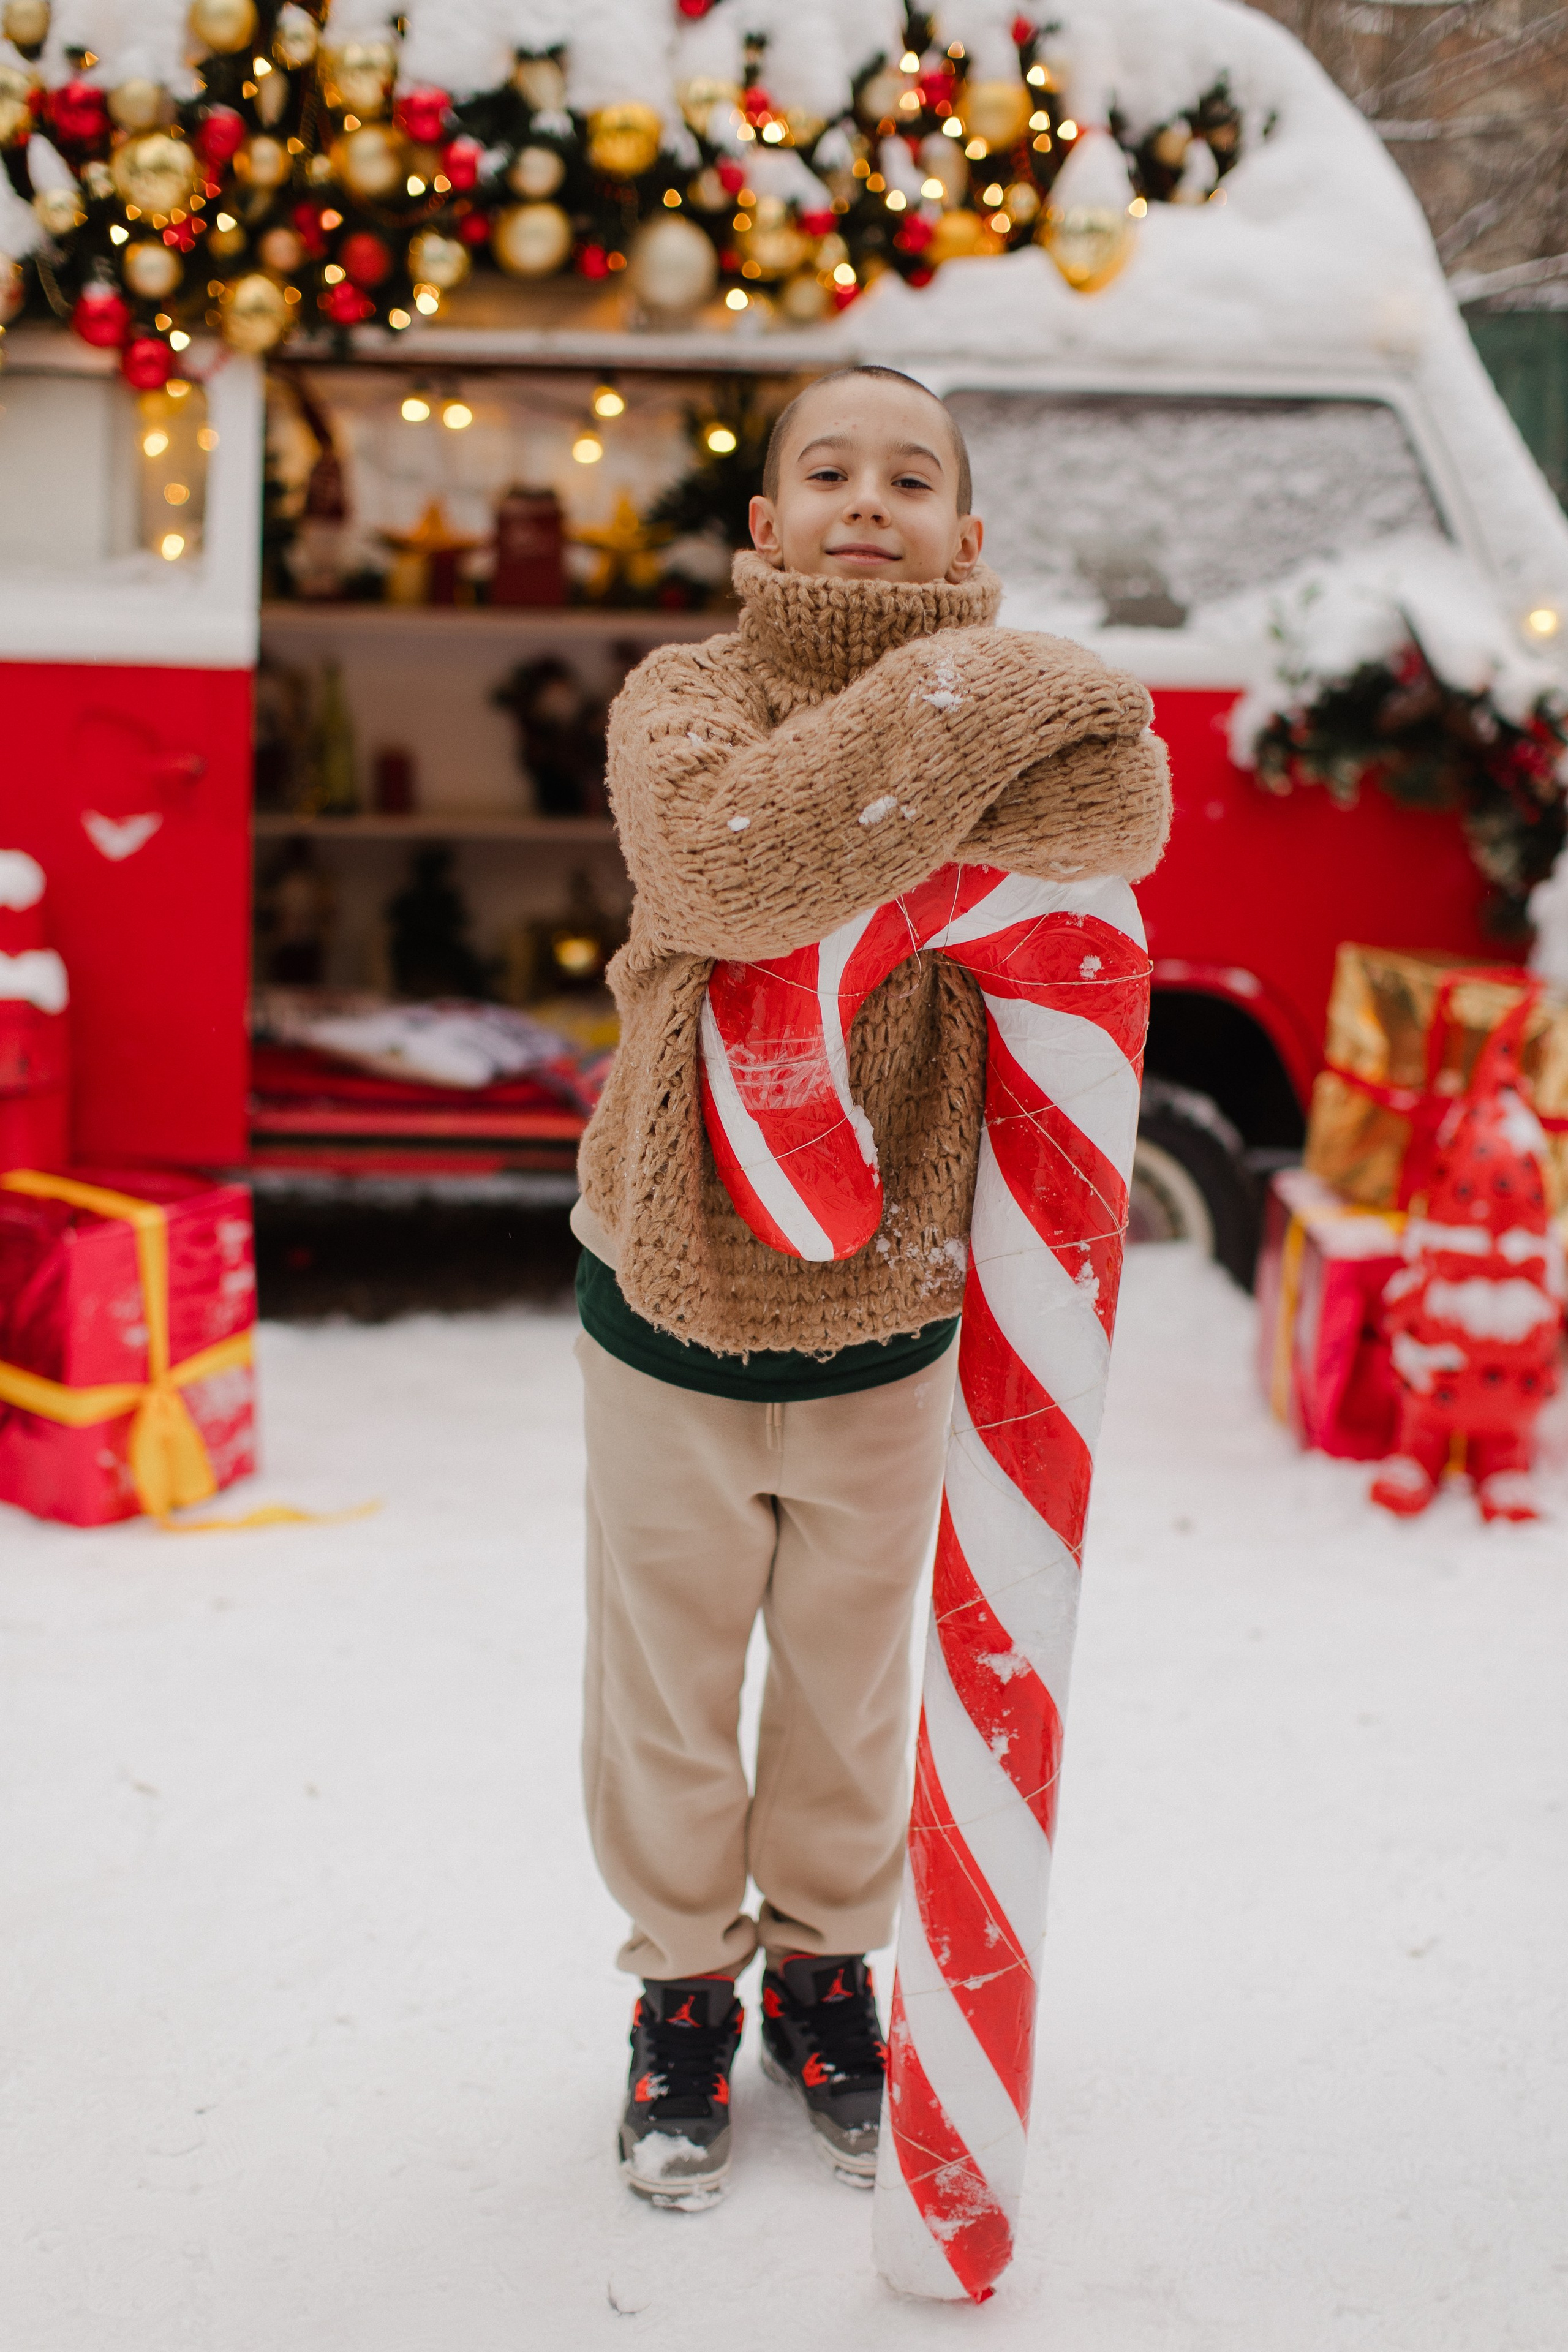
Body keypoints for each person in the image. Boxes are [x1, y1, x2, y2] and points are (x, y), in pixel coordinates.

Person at [570, 364, 1170, 2206]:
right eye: (823, 469)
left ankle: (826, 1970)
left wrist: (928, 752)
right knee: (669, 1680)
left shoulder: (1022, 726)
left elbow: (1125, 811)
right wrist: (980, 690)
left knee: (846, 1676)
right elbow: (724, 864)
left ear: (966, 536)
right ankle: (683, 1989)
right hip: (669, 1285)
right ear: (762, 525)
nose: (864, 499)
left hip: (899, 1301)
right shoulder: (689, 696)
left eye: (912, 477)